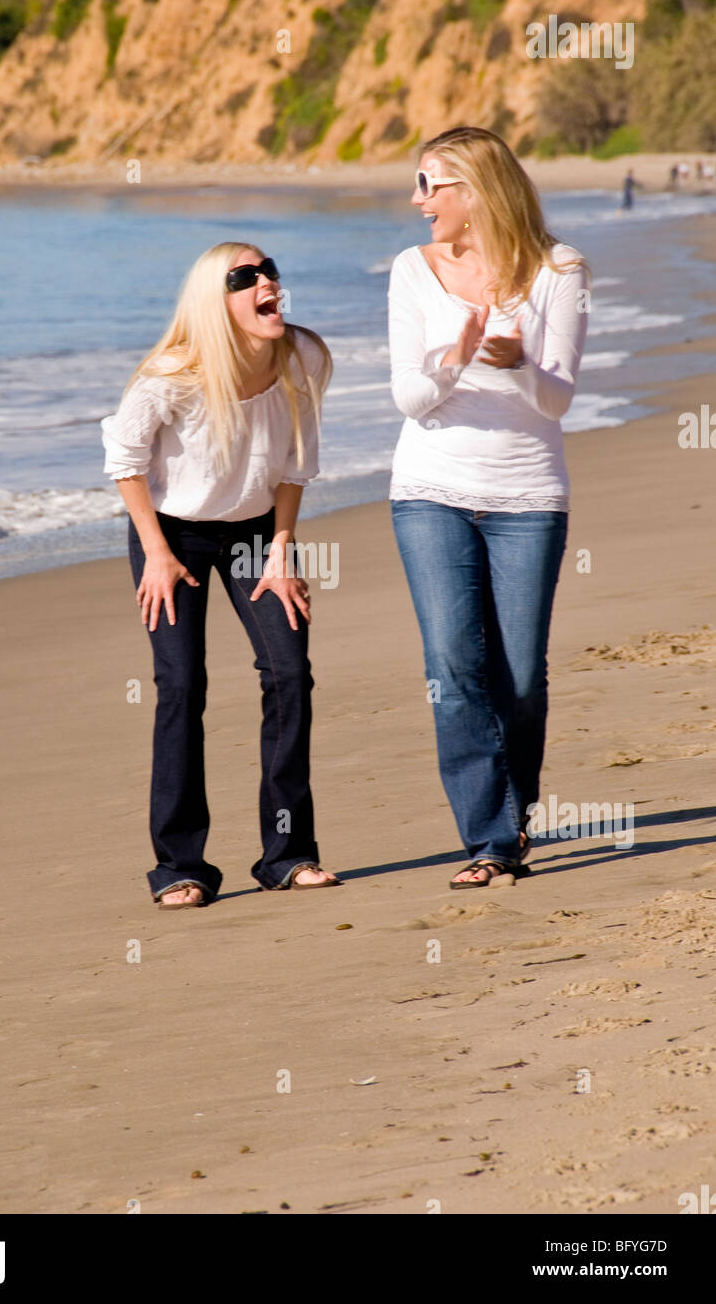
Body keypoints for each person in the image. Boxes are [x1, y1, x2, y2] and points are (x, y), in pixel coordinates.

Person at [101, 242, 339, 907]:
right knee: (181, 683)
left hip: (257, 532)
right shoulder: (171, 373)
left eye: (270, 272)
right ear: (216, 299)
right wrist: (154, 551)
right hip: (171, 535)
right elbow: (123, 459)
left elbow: (295, 464)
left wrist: (281, 552)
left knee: (290, 673)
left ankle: (288, 855)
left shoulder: (302, 358)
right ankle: (180, 866)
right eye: (245, 278)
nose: (268, 283)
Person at [387, 126, 589, 888]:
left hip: (527, 495)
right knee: (452, 666)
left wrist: (519, 364)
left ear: (473, 190)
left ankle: (513, 808)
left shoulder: (557, 269)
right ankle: (490, 839)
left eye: (428, 185)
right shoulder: (412, 270)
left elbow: (557, 399)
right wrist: (454, 358)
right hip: (429, 491)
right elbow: (409, 396)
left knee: (520, 677)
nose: (417, 201)